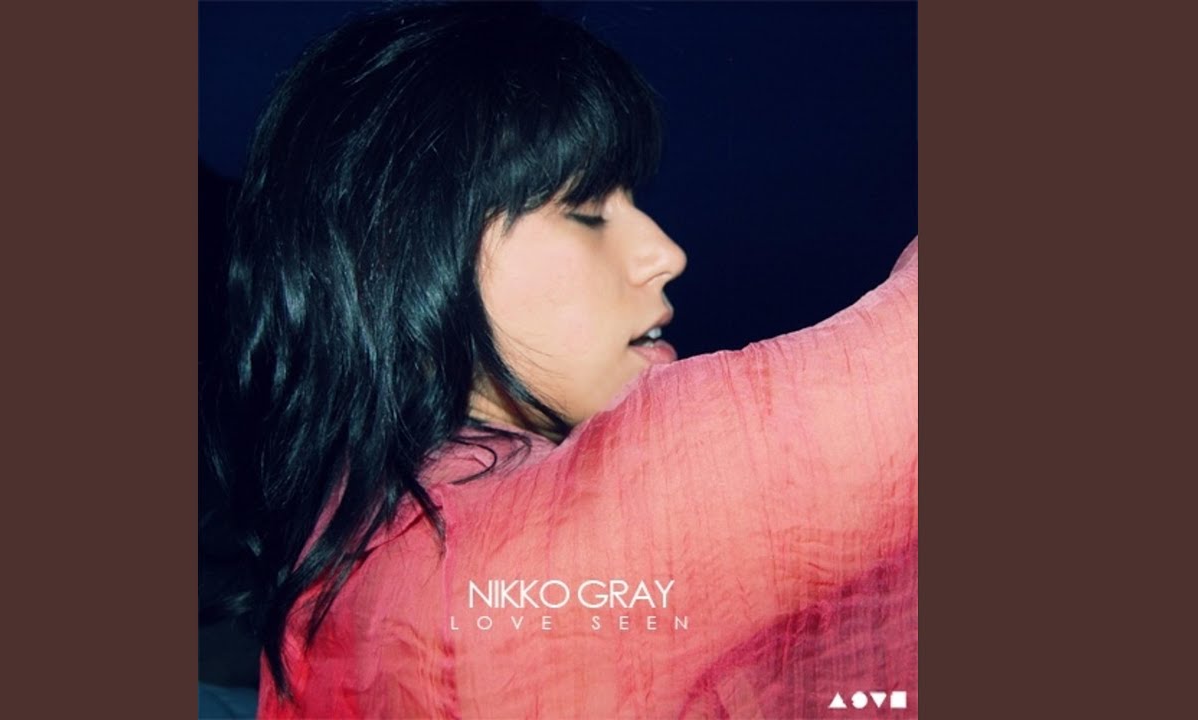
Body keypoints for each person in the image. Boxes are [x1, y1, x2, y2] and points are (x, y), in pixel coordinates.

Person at [204, 2, 918, 717]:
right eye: (586, 210)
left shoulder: (355, 535)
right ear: (401, 262)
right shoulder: (509, 557)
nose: (666, 254)